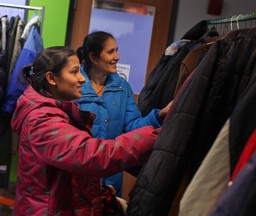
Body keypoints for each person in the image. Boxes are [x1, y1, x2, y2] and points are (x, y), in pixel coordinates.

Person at [11, 46, 159, 215]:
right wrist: (155, 137)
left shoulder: (62, 112)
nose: (82, 79)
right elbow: (92, 155)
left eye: (80, 71)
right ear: (51, 78)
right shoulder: (41, 120)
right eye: (74, 72)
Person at [76, 31, 171, 197]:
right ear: (93, 57)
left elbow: (133, 126)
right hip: (80, 174)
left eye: (116, 50)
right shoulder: (75, 85)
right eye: (111, 51)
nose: (117, 57)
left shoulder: (122, 87)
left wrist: (159, 115)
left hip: (111, 179)